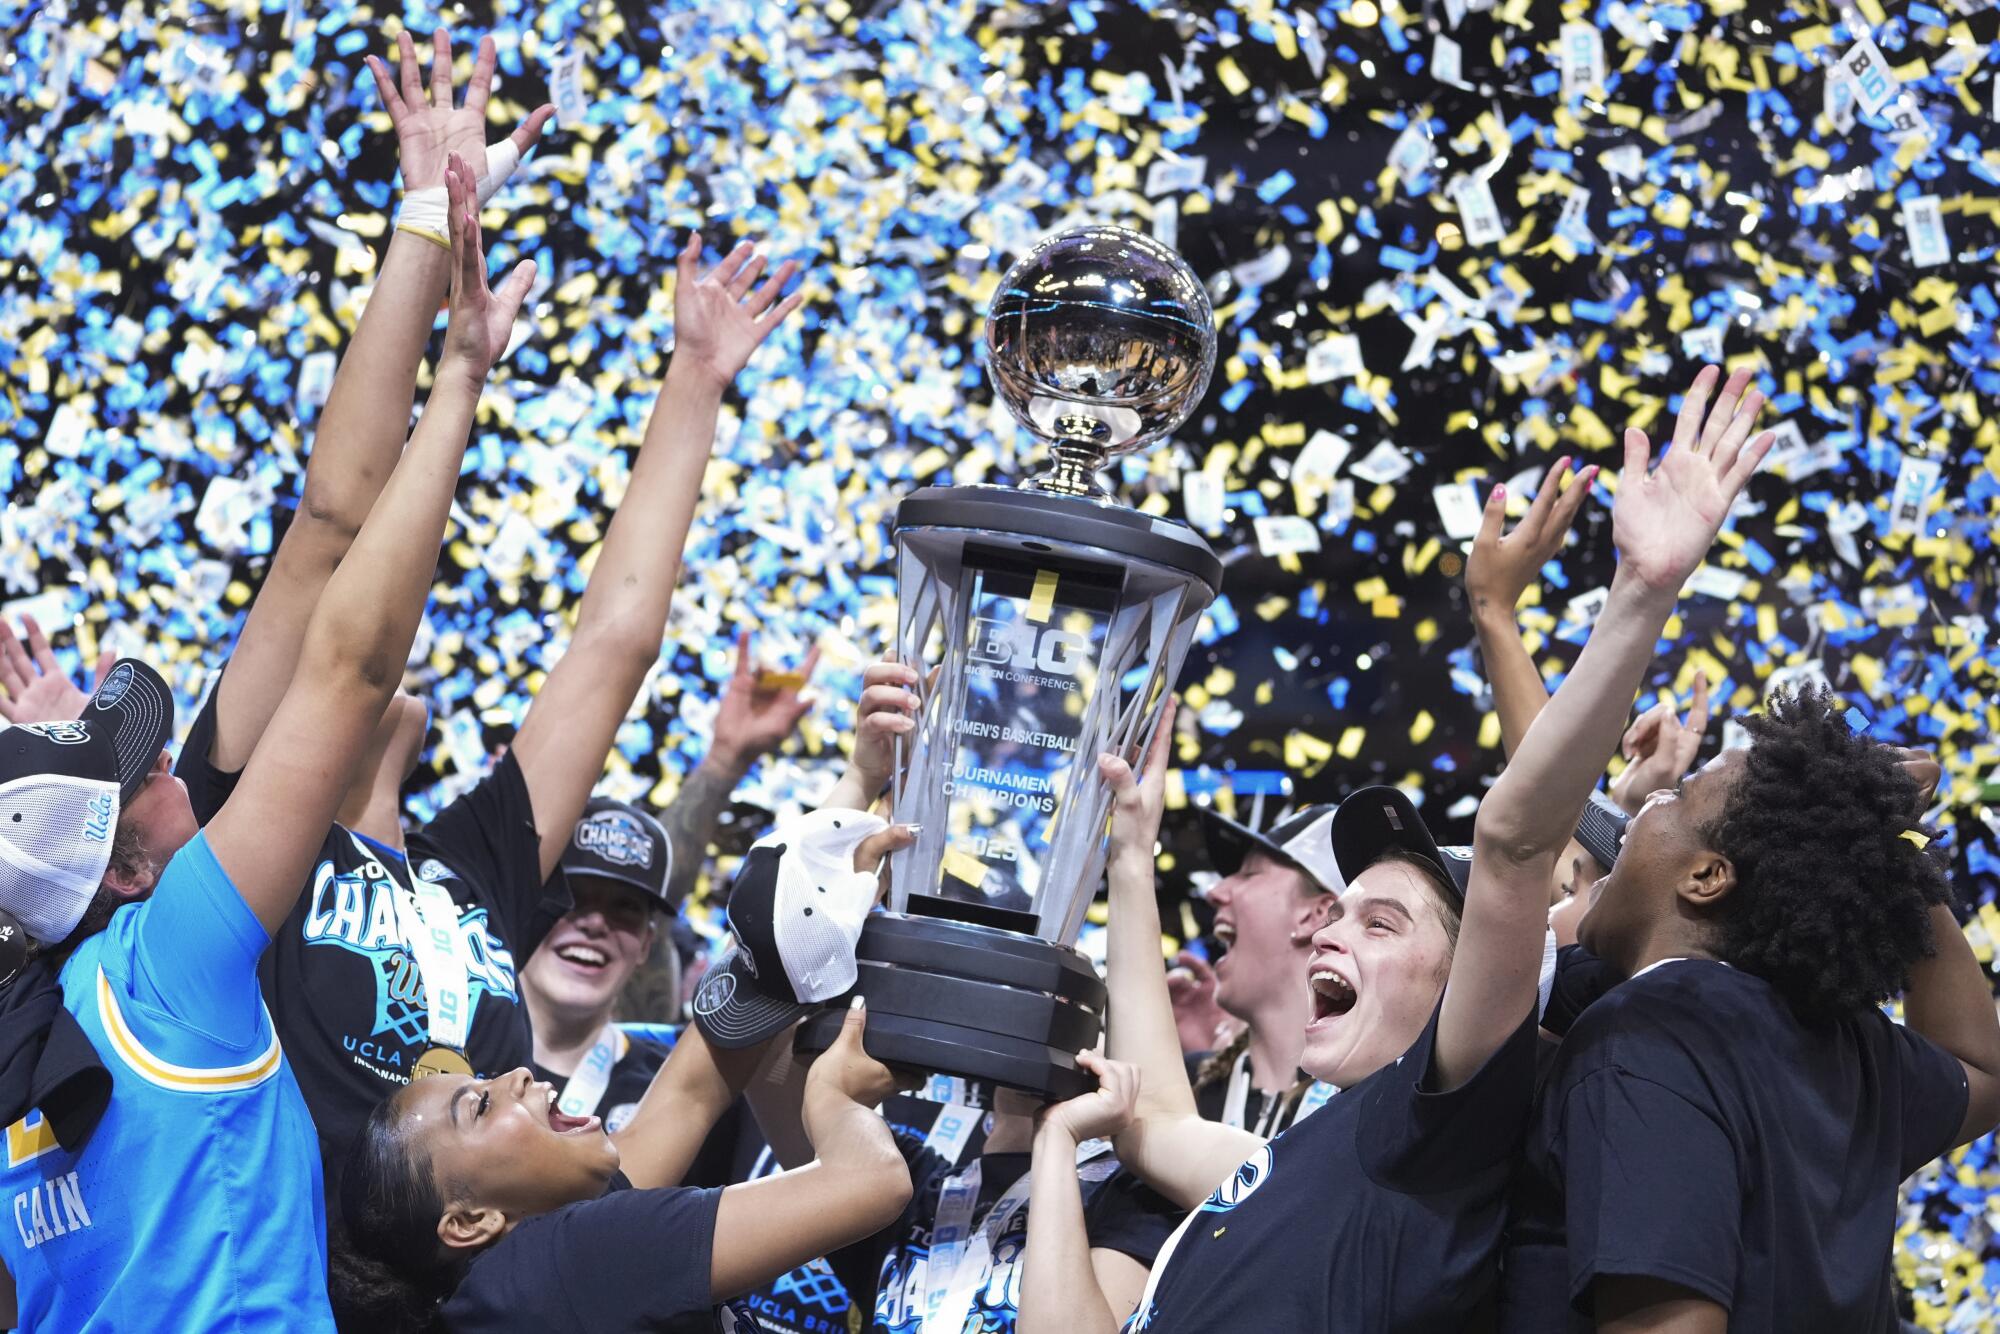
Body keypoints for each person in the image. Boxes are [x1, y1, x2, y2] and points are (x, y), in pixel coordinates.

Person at [1019, 365, 1778, 1333]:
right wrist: (1131, 858)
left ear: (1468, 990)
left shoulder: (1435, 1135)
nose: (1326, 935)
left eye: (1381, 923)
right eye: (1338, 913)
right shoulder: (1304, 1157)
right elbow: (1155, 1122)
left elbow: (1514, 844)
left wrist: (1640, 592)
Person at [170, 28, 809, 1163]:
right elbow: (331, 533)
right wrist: (425, 224)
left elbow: (613, 646)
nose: (395, 651)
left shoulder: (472, 868)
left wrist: (696, 380)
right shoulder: (244, 828)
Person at [0, 154, 525, 1331]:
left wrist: (424, 219)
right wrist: (459, 380)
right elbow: (353, 665)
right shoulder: (166, 957)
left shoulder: (20, 1041)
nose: (170, 761)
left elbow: (323, 534)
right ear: (126, 872)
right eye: (141, 773)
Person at [338, 801, 918, 1332]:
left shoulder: (515, 1282)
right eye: (480, 1104)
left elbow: (693, 1092)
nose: (515, 1076)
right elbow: (871, 1181)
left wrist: (806, 888)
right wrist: (836, 1095)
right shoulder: (573, 1259)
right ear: (470, 1223)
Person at [1498, 733, 2000, 1324]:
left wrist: (1891, 843)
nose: (1651, 798)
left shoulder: (1647, 1034)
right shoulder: (1843, 1038)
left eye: (1679, 794)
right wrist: (1896, 848)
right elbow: (1982, 1071)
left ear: (1707, 876)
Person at [619, 629, 822, 1023]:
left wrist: (726, 760)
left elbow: (650, 903)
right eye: (575, 907)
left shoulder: (633, 1032)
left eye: (619, 913)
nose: (594, 924)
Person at [1177, 802, 1338, 1136]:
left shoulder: (1374, 1112)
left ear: (1316, 914)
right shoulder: (1190, 1087)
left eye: (1249, 873)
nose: (1215, 891)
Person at [520, 798, 678, 1132]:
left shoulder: (666, 1094)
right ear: (523, 909)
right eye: (571, 897)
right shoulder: (445, 1040)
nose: (595, 923)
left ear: (645, 944)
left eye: (625, 908)